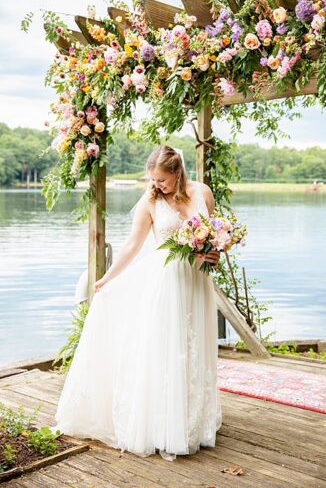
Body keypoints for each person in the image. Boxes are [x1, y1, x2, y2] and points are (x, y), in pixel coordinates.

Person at [52, 145, 222, 461]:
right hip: (165, 283)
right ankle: (162, 423)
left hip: (196, 280)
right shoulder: (150, 201)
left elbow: (213, 236)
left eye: (162, 180)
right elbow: (133, 245)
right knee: (167, 350)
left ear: (177, 172)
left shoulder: (203, 193)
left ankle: (192, 420)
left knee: (194, 344)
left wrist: (215, 253)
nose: (157, 185)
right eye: (153, 179)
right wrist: (107, 279)